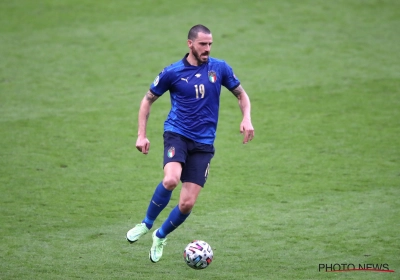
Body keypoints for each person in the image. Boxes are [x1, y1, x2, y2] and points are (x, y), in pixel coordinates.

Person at [126, 24, 254, 263]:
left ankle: (160, 236)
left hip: (204, 143)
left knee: (186, 203)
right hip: (177, 134)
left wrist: (246, 118)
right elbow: (147, 102)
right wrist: (141, 135)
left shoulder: (220, 68)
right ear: (190, 44)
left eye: (210, 44)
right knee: (171, 179)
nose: (207, 49)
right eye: (203, 44)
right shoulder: (172, 72)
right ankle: (146, 223)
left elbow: (241, 95)